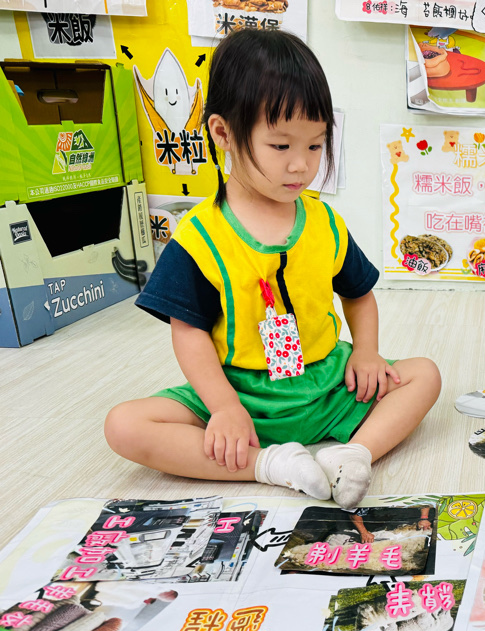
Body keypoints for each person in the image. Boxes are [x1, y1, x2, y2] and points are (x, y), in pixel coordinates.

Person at [105, 29, 440, 507]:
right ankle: (269, 464)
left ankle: (353, 454)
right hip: (240, 395)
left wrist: (367, 352)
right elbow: (188, 332)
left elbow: (358, 294)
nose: (301, 166)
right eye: (281, 147)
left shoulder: (324, 222)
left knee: (424, 375)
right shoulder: (198, 238)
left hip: (328, 385)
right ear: (223, 133)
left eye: (315, 146)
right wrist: (224, 408)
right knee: (124, 425)